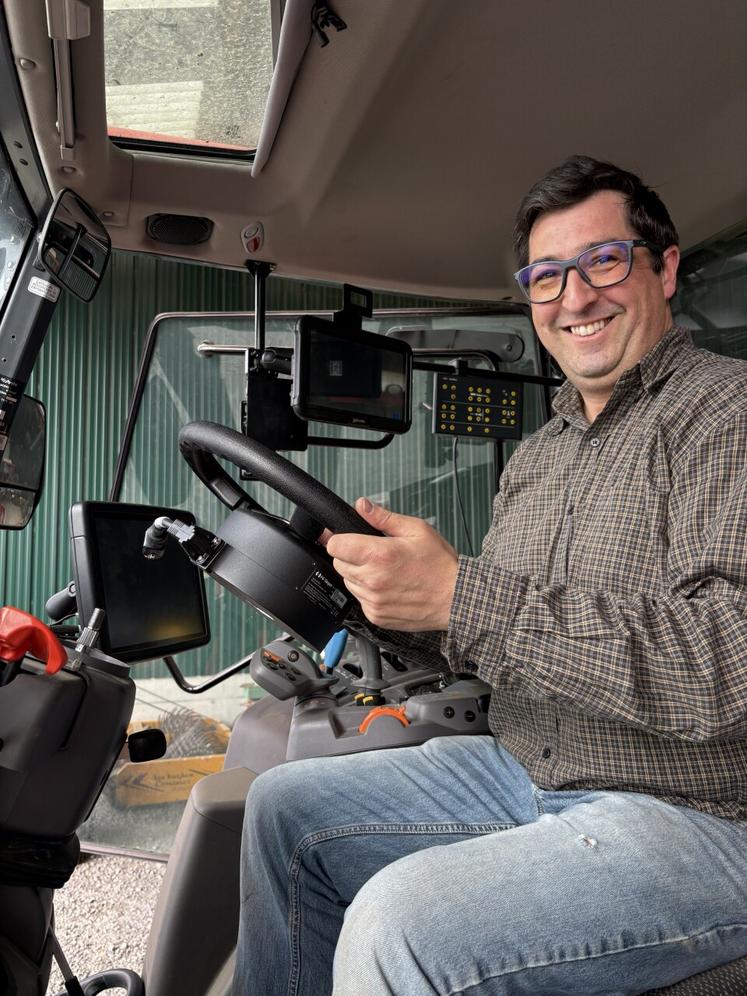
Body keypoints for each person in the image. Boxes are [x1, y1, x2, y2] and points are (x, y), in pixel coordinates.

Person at [232, 156, 747, 995]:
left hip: (701, 815)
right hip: (524, 767)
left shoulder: (727, 413)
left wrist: (462, 594)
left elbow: (728, 668)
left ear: (666, 267)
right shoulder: (539, 457)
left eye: (602, 262)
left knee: (399, 925)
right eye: (546, 278)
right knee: (281, 808)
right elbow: (501, 638)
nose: (574, 298)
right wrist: (399, 602)